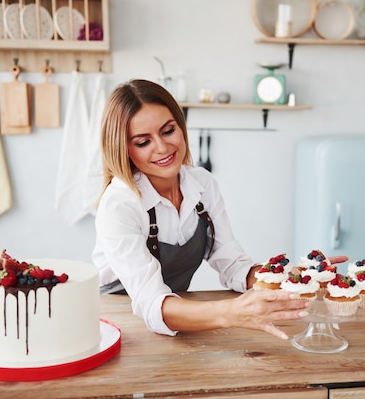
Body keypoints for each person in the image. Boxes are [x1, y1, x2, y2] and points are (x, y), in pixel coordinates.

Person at [92, 79, 312, 340]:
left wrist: (283, 276)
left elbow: (232, 263)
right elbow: (150, 302)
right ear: (123, 149)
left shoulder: (202, 184)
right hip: (121, 325)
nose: (162, 148)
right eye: (143, 142)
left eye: (168, 130)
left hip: (179, 318)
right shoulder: (119, 204)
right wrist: (232, 312)